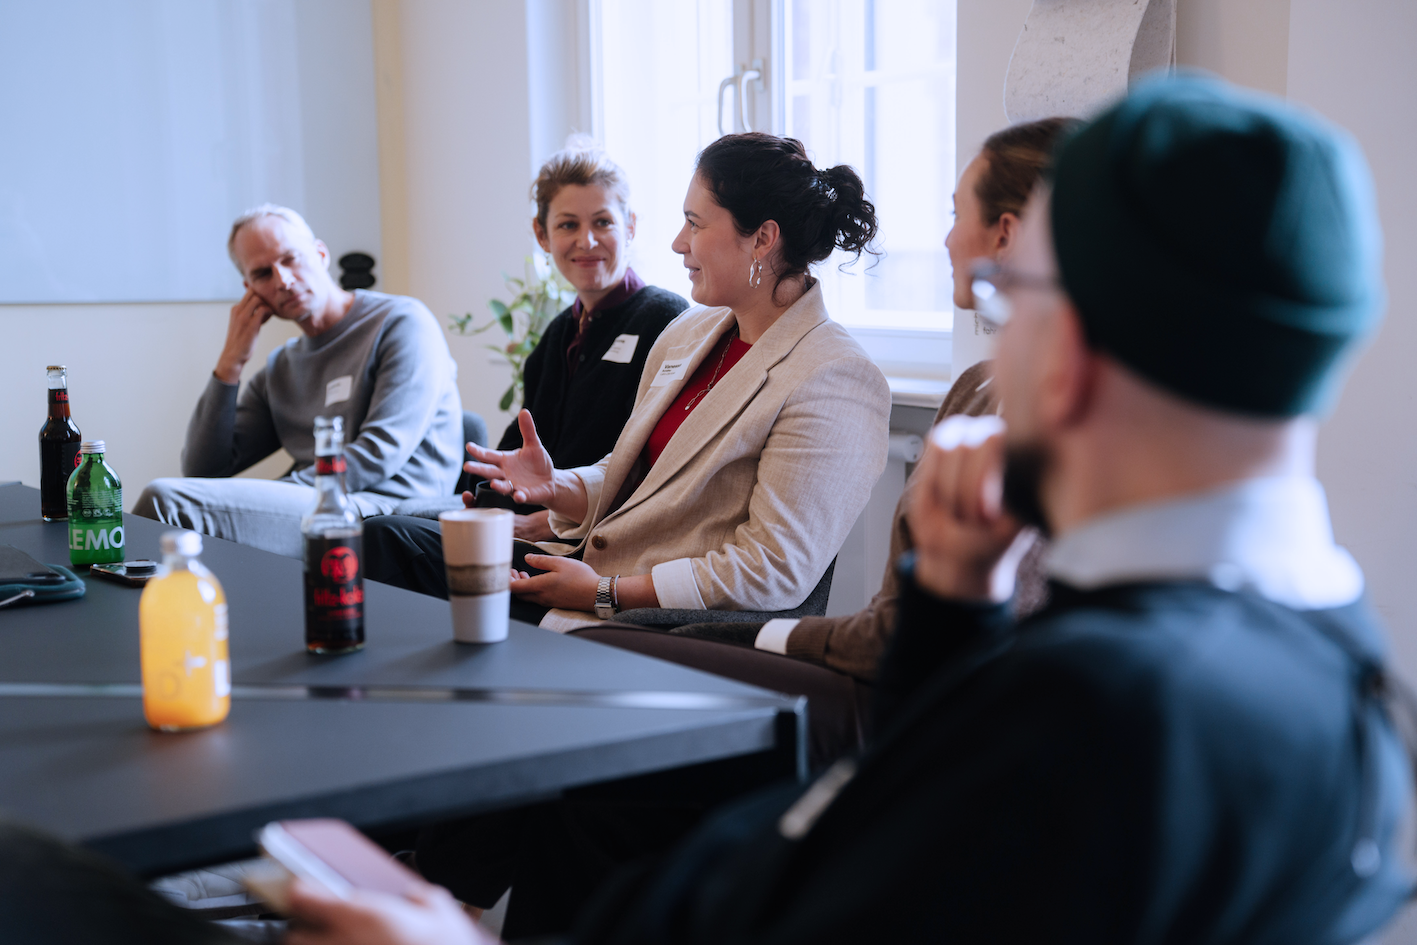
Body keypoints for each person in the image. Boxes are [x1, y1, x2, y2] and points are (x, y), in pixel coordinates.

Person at [288, 74, 1413, 943]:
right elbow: (930, 804)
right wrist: (955, 611)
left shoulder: (1097, 714)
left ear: (1067, 348)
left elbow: (836, 872)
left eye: (1001, 297)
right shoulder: (1350, 683)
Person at [371, 133, 891, 632]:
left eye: (694, 224)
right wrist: (560, 488)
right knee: (386, 539)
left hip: (646, 613)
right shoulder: (690, 332)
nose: (677, 243)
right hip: (592, 568)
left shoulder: (834, 377)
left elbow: (771, 570)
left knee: (403, 562)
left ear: (762, 238)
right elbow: (637, 480)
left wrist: (606, 591)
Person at [363, 144, 687, 590]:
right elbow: (516, 445)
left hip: (583, 543)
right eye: (568, 225)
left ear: (630, 227)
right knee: (379, 523)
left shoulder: (667, 319)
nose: (586, 241)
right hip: (526, 524)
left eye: (603, 222)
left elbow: (663, 467)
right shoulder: (557, 335)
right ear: (542, 235)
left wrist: (551, 519)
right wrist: (481, 499)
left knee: (385, 537)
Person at [133, 205, 463, 558]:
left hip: (385, 507)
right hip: (322, 500)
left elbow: (380, 453)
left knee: (166, 500)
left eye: (291, 258)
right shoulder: (283, 367)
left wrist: (280, 491)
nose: (283, 281)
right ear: (250, 289)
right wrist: (231, 362)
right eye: (262, 273)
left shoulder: (402, 323)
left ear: (320, 254)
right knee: (173, 501)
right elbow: (203, 469)